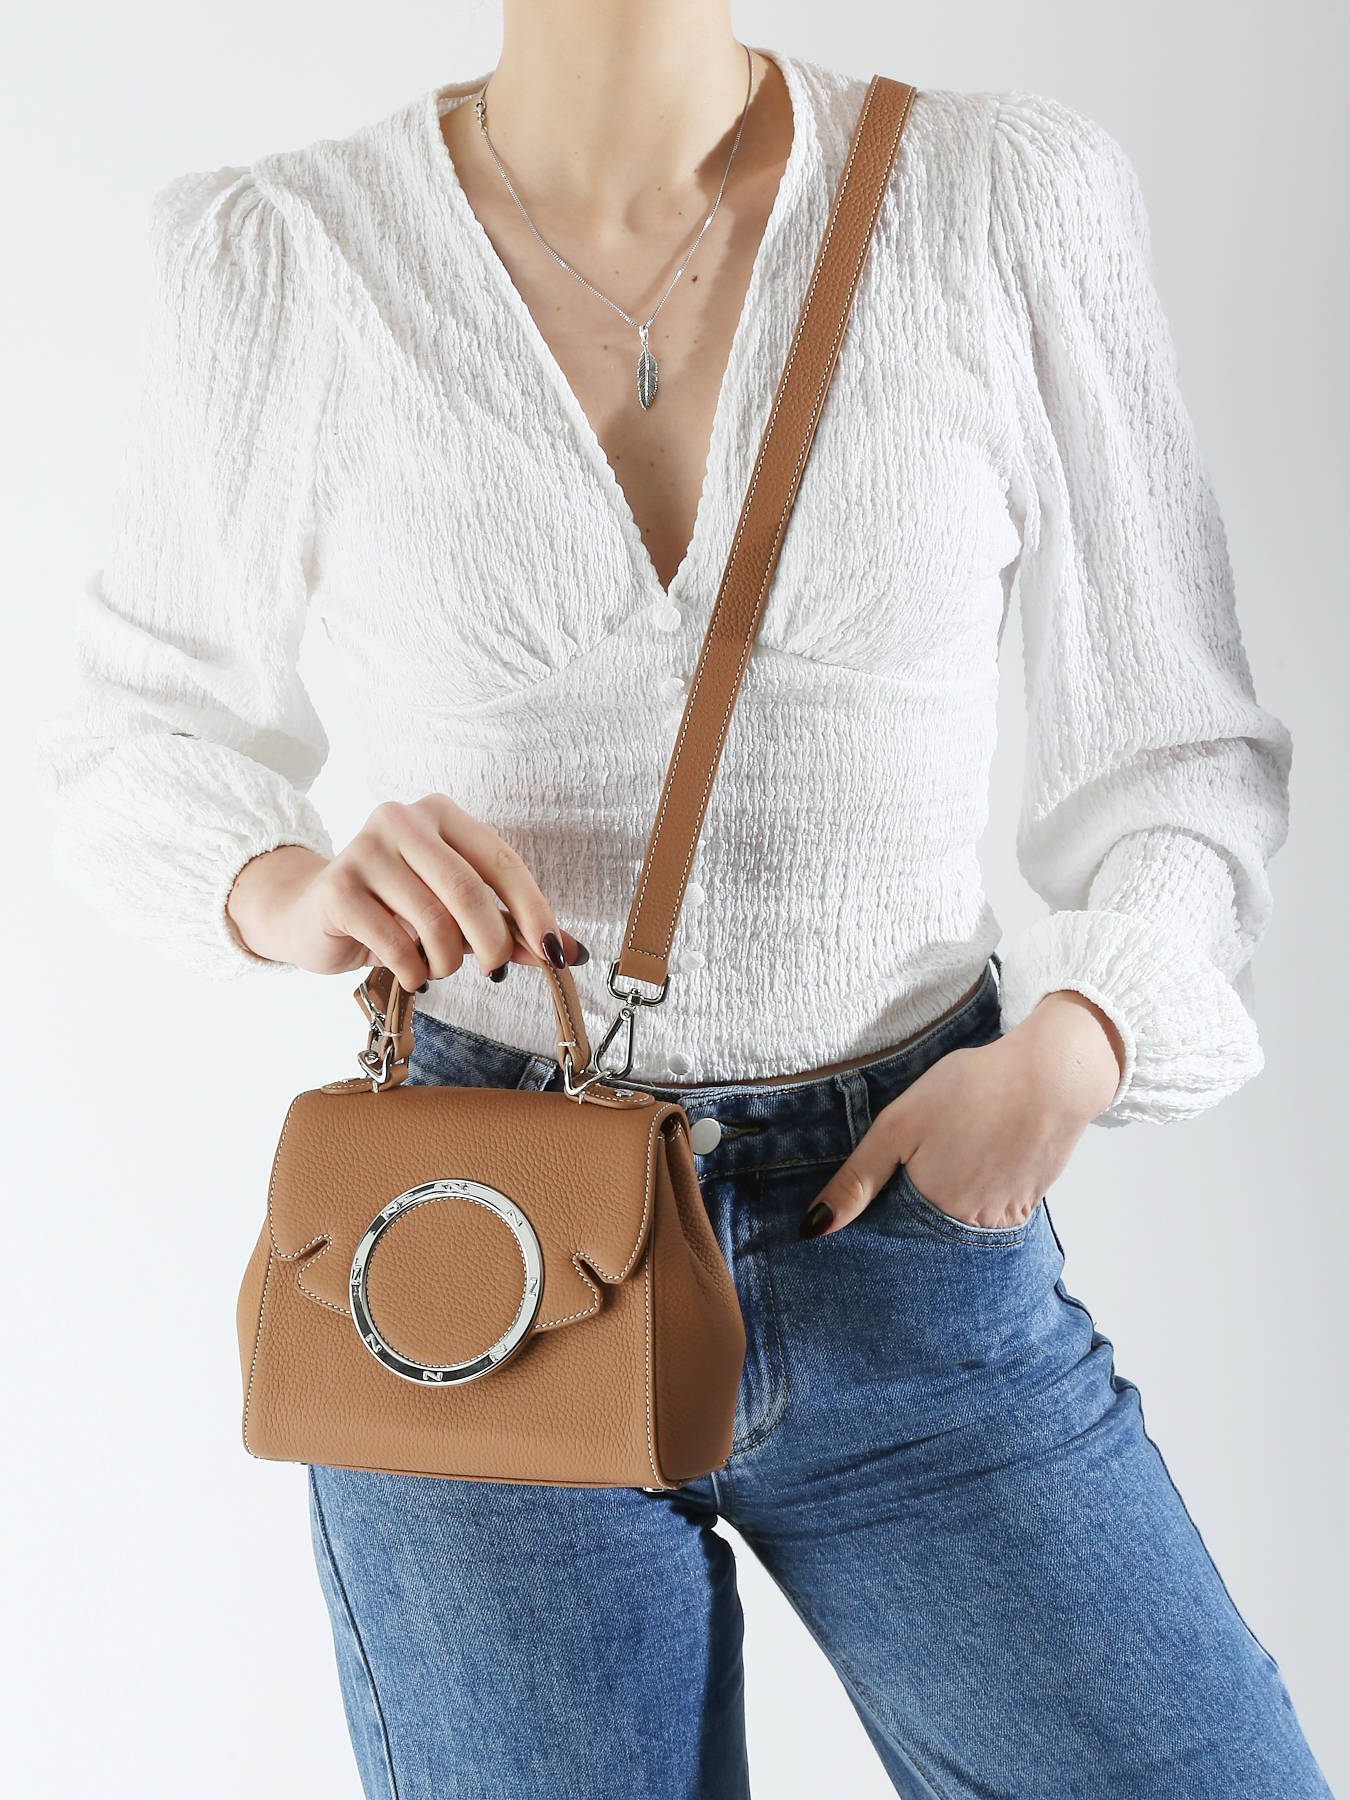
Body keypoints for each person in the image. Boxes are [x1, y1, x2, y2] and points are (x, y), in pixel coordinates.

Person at [34, 5, 1333, 1797]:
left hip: (904, 1234)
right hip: (477, 1260)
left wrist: (1079, 1043)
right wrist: (290, 884)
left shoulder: (999, 196)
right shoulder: (285, 251)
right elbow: (135, 735)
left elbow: (1180, 753)